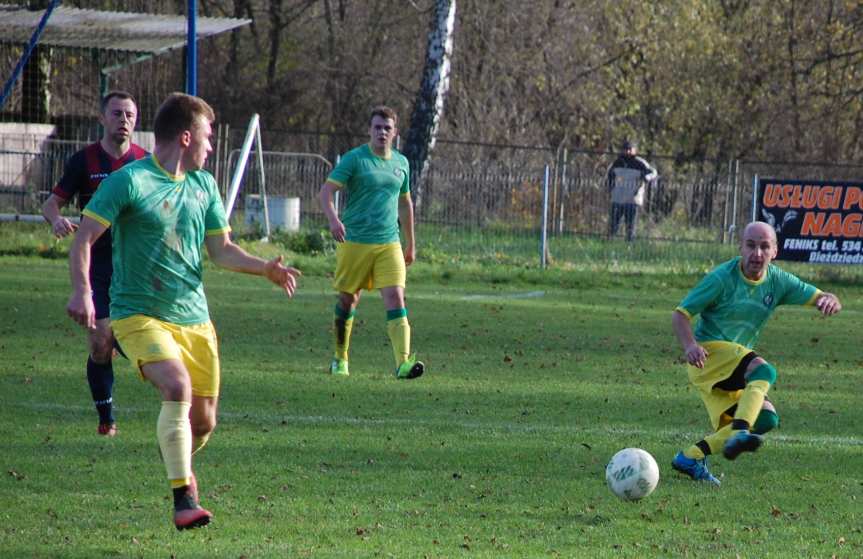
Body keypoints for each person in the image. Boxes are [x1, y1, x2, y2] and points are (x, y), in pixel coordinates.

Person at [66, 92, 301, 530]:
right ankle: (184, 498)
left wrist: (263, 269)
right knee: (176, 386)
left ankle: (175, 454)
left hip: (195, 317)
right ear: (187, 136)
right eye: (208, 138)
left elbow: (222, 249)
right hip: (138, 314)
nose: (211, 148)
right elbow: (83, 239)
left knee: (203, 420)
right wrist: (83, 293)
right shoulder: (129, 181)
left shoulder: (204, 185)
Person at [670, 221, 841, 485]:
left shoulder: (778, 281)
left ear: (775, 251)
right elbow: (680, 314)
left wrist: (828, 299)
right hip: (709, 356)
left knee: (766, 418)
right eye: (750, 245)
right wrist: (690, 345)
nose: (757, 254)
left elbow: (819, 295)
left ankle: (690, 456)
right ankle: (739, 432)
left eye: (764, 247)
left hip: (734, 363)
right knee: (764, 371)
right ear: (740, 247)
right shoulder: (721, 278)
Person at [42, 90, 148, 437]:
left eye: (129, 115)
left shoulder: (146, 162)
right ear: (102, 119)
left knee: (130, 339)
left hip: (136, 266)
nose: (124, 120)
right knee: (101, 342)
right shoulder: (83, 161)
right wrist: (56, 220)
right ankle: (107, 418)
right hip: (96, 265)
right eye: (116, 114)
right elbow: (51, 205)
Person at [318, 105, 424, 380]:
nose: (382, 132)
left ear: (395, 132)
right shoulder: (355, 159)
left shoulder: (401, 163)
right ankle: (340, 358)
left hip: (389, 242)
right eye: (377, 127)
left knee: (395, 295)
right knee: (348, 298)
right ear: (370, 130)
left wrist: (410, 242)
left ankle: (403, 363)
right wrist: (333, 220)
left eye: (387, 128)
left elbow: (405, 202)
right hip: (354, 241)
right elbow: (326, 192)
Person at [607, 139, 658, 241]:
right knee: (613, 227)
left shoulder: (640, 163)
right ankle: (609, 245)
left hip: (632, 200)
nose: (627, 152)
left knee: (630, 228)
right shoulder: (617, 162)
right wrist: (610, 190)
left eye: (630, 149)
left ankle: (629, 248)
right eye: (625, 149)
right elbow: (609, 176)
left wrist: (646, 178)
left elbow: (653, 172)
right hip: (617, 199)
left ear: (635, 150)